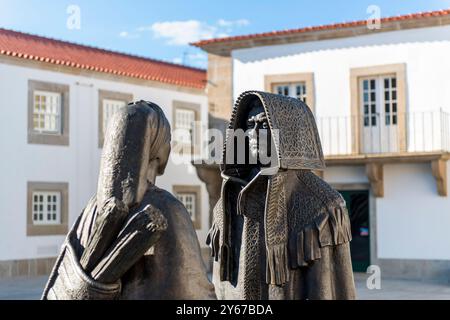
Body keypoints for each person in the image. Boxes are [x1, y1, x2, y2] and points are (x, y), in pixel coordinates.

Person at [42, 100, 215, 300]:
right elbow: (195, 294)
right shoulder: (166, 208)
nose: (170, 146)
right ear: (156, 147)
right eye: (168, 139)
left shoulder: (89, 211)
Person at [207, 91, 356, 300]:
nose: (255, 133)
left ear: (288, 132)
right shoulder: (226, 202)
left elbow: (329, 290)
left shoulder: (322, 205)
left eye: (265, 125)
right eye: (250, 125)